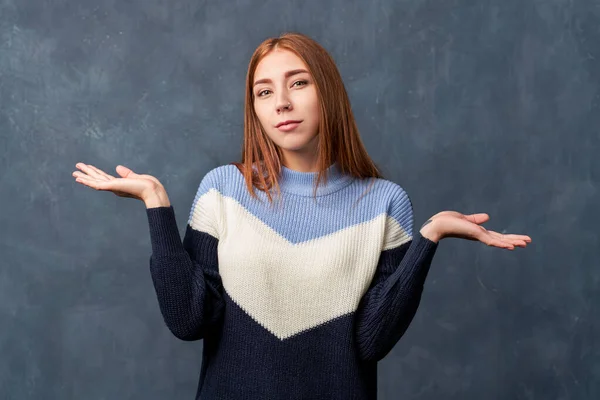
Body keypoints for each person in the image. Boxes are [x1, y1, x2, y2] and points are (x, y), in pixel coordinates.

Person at [72, 32, 531, 400]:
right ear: (254, 108)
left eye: (298, 82)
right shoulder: (224, 190)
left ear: (326, 91)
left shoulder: (384, 203)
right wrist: (155, 201)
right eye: (264, 91)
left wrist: (431, 236)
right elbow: (190, 320)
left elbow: (370, 344)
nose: (281, 103)